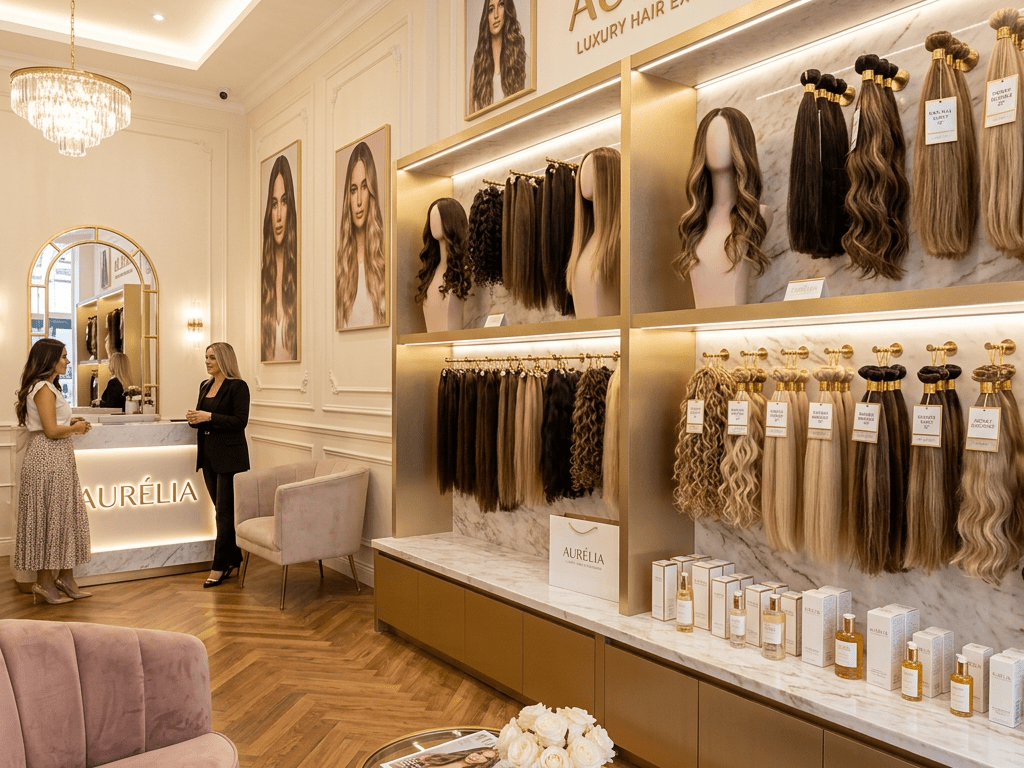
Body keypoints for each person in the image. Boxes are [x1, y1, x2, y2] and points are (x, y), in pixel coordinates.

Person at [14, 338, 93, 605]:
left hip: (57, 457)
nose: (67, 361)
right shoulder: (43, 388)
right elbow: (50, 431)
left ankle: (65, 579)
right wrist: (75, 429)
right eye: (63, 356)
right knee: (50, 518)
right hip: (47, 457)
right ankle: (45, 583)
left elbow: (50, 422)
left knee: (62, 516)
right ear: (49, 360)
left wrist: (69, 422)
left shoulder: (48, 387)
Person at [186, 342, 250, 588]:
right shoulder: (205, 385)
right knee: (221, 510)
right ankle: (234, 558)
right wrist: (195, 419)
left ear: (224, 359)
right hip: (208, 457)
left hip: (230, 458)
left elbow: (239, 422)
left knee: (223, 513)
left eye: (212, 357)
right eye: (206, 357)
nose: (207, 361)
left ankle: (219, 565)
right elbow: (202, 417)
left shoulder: (238, 387)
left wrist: (209, 416)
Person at [336, 141, 387, 328]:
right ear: (347, 197)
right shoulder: (341, 268)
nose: (358, 200)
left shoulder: (383, 262)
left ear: (372, 191)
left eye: (364, 187)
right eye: (353, 190)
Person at [261, 154, 299, 362]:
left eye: (284, 202)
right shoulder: (262, 280)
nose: (278, 216)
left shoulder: (300, 277)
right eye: (274, 204)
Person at [469, 0, 527, 114]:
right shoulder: (477, 69)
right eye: (491, 9)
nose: (496, 15)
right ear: (486, 17)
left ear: (507, 9)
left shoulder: (521, 61)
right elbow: (471, 116)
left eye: (501, 5)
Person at [389, 747, 500, 768]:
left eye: (485, 757)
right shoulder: (436, 757)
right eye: (479, 752)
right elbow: (395, 765)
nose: (475, 756)